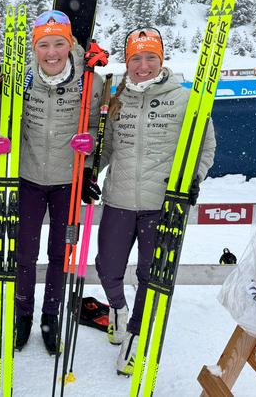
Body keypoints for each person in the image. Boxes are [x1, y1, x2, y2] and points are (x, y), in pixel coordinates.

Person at [95, 27, 216, 375]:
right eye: (136, 58)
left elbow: (205, 147)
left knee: (151, 276)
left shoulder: (184, 99)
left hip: (161, 204)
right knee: (107, 267)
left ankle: (134, 337)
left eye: (150, 57)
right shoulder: (116, 96)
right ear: (127, 61)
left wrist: (196, 177)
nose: (143, 66)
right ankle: (117, 309)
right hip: (118, 199)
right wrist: (89, 170)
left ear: (161, 60)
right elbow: (108, 148)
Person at [14, 10, 104, 355]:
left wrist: (90, 146)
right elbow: (5, 121)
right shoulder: (22, 80)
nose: (51, 53)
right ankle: (23, 315)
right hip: (29, 179)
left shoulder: (89, 81)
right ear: (35, 48)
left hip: (67, 181)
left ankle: (49, 317)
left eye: (58, 44)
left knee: (59, 254)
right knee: (24, 253)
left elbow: (98, 126)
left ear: (70, 45)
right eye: (44, 45)